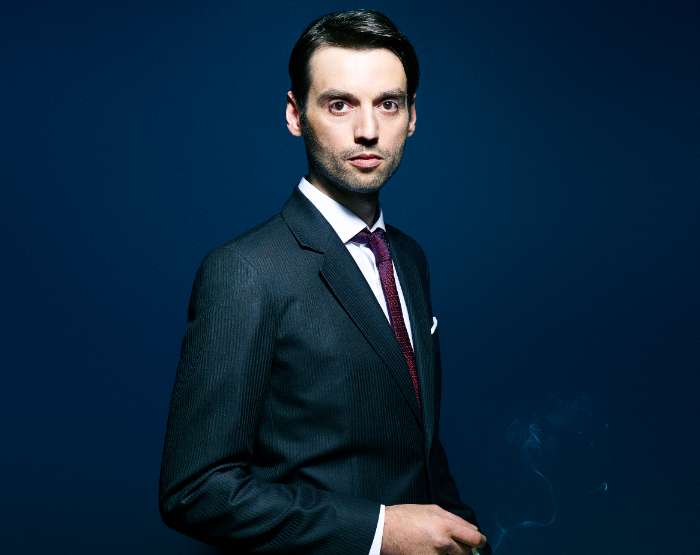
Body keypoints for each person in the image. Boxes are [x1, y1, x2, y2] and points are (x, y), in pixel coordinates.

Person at [159, 9, 491, 555]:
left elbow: (415, 442)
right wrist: (379, 532)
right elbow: (195, 491)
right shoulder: (245, 270)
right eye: (340, 104)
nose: (368, 130)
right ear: (296, 115)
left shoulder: (408, 258)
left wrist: (465, 536)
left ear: (412, 117)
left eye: (388, 104)